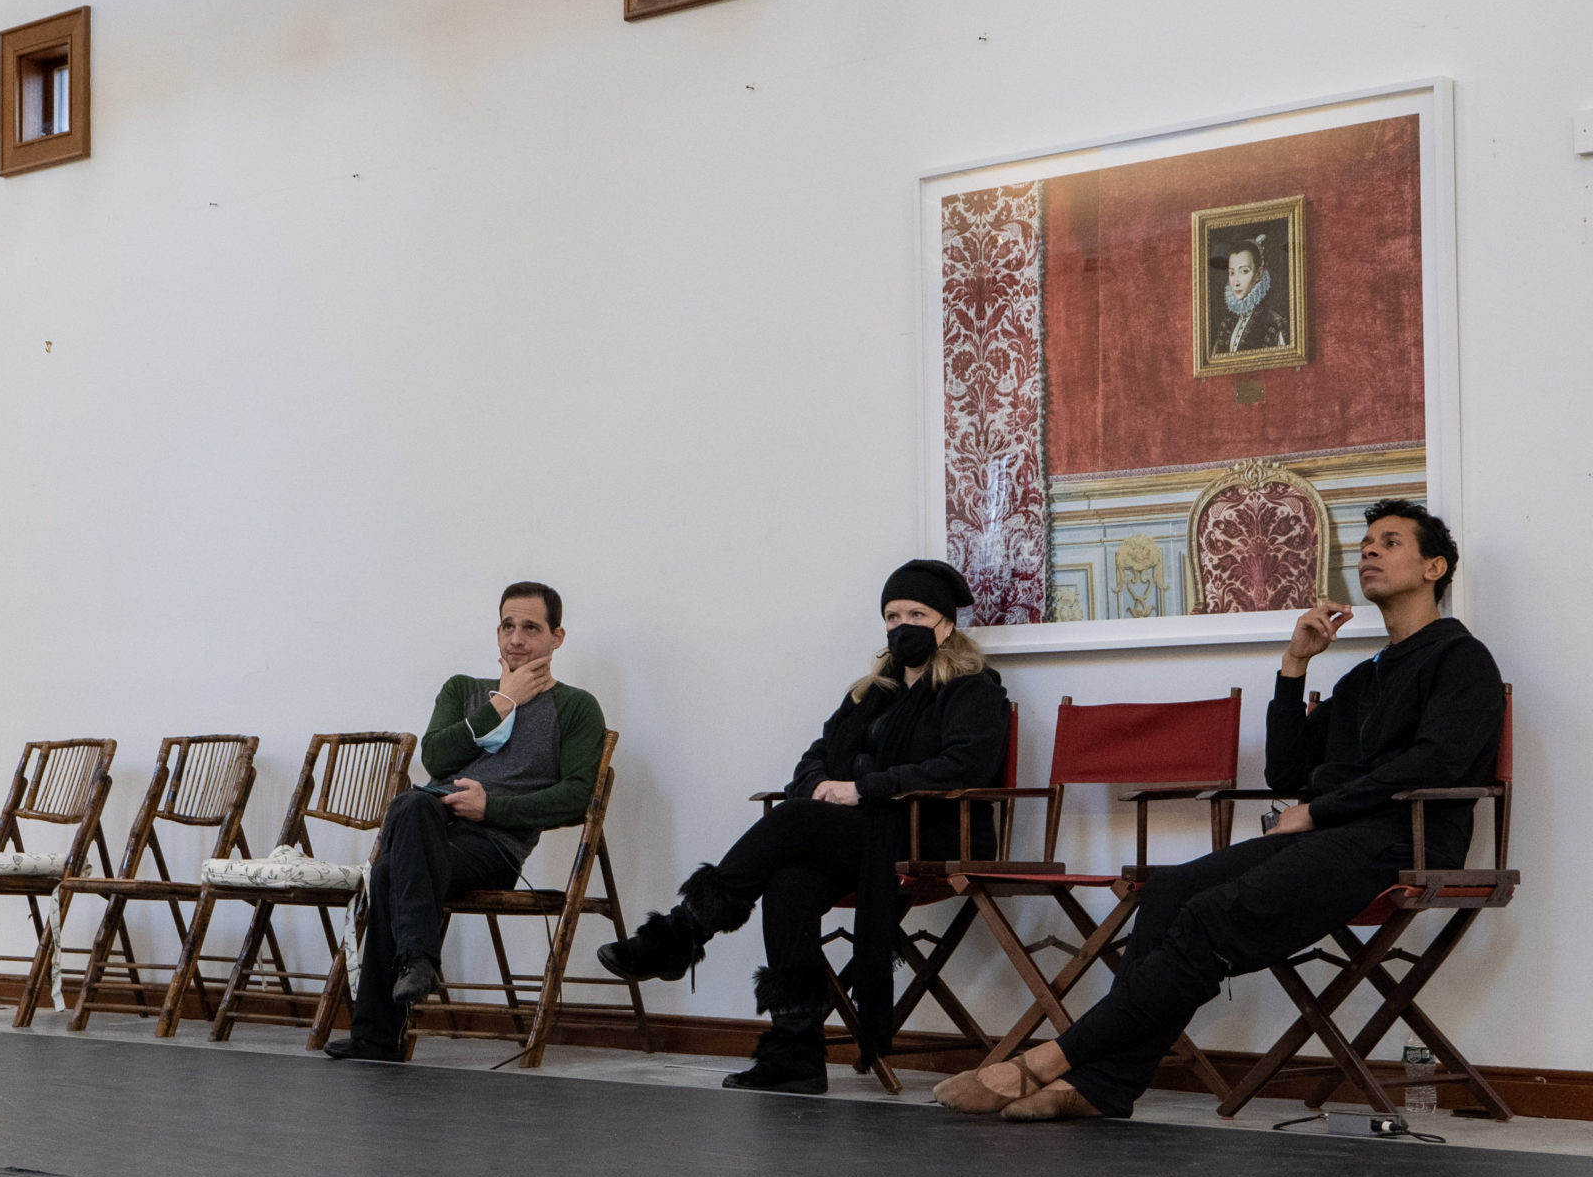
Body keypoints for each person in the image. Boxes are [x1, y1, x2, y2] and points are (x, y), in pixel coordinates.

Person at [935, 500, 1502, 1121]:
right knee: (1170, 892)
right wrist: (1295, 664)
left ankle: (1048, 1062)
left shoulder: (1461, 660)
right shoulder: (1364, 679)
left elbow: (1435, 764)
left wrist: (1316, 813)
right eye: (1365, 542)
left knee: (1211, 917)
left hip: (1408, 842)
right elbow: (1288, 771)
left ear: (1433, 567)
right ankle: (1106, 1087)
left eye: (1390, 542)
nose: (1368, 551)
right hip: (1335, 836)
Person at [598, 559, 1006, 1093]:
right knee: (788, 884)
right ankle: (795, 1054)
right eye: (892, 613)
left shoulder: (973, 687)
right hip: (861, 833)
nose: (902, 624)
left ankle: (683, 931)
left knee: (789, 820)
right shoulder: (870, 693)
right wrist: (820, 785)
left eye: (917, 613)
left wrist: (862, 787)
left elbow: (966, 765)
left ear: (947, 624)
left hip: (929, 833)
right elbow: (815, 756)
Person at [325, 582, 607, 1063]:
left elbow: (577, 797)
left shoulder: (577, 707)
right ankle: (418, 960)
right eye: (507, 626)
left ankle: (382, 1025)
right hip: (432, 825)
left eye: (531, 628)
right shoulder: (463, 690)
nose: (516, 639)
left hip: (492, 848)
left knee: (392, 872)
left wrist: (490, 808)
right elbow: (435, 756)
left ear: (557, 637)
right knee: (414, 804)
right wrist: (503, 702)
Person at [1211, 237, 1290, 355]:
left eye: (1244, 271)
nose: (1236, 282)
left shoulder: (1274, 323)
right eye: (1232, 273)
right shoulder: (1228, 323)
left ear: (1258, 274)